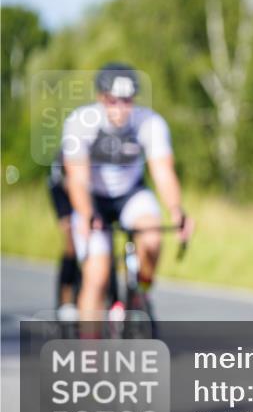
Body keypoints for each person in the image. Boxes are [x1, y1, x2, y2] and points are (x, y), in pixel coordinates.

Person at [61, 63, 193, 324]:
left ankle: (141, 294)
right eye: (112, 101)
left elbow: (163, 171)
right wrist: (87, 214)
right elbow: (77, 179)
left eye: (126, 100)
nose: (120, 108)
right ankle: (89, 357)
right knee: (97, 276)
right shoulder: (80, 122)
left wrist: (177, 211)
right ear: (101, 98)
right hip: (94, 198)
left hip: (131, 194)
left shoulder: (149, 122)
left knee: (153, 238)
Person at [46, 149, 81, 320]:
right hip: (62, 192)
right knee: (72, 243)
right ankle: (65, 298)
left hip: (86, 192)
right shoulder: (68, 152)